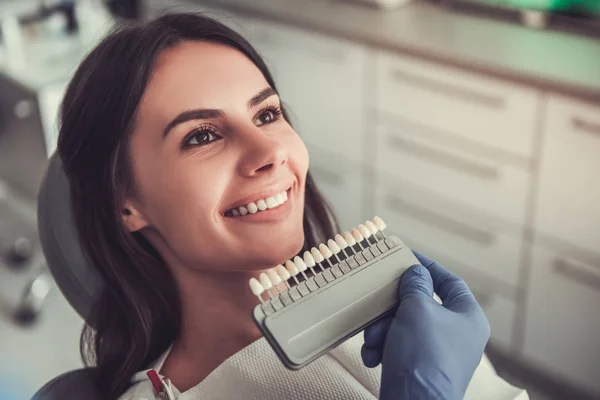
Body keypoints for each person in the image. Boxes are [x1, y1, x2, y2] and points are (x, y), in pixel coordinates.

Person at [56, 12, 528, 400]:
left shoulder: (402, 316)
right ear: (126, 203)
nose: (269, 152)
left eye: (267, 114)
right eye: (202, 136)